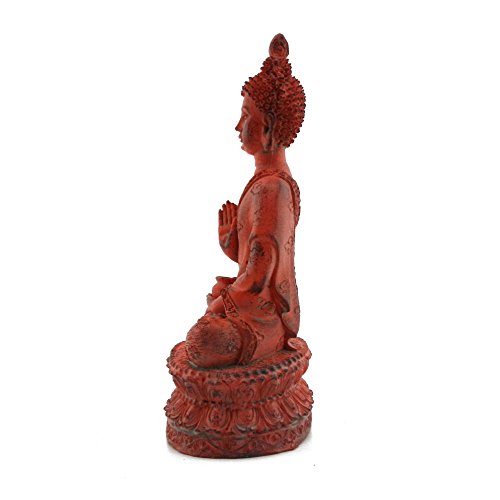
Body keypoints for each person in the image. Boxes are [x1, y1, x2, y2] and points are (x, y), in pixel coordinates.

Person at [185, 34, 306, 368]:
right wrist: (233, 247)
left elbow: (258, 277)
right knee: (208, 326)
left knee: (203, 342)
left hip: (264, 320)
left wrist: (220, 304)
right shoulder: (265, 182)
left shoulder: (272, 189)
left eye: (246, 116)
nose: (238, 126)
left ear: (267, 128)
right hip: (252, 307)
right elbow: (255, 259)